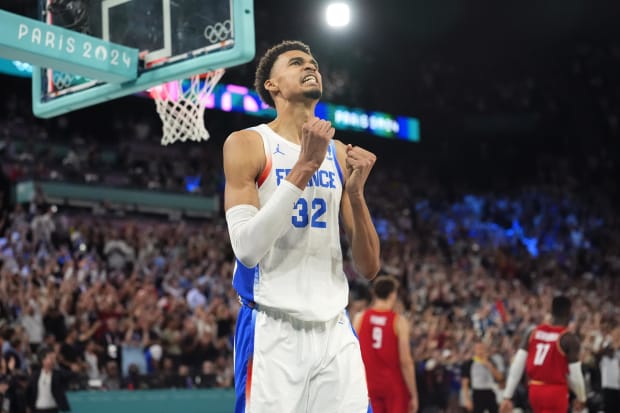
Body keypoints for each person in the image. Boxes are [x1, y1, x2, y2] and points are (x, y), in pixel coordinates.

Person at [224, 40, 381, 413]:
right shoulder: (248, 143)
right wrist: (304, 167)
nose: (310, 66)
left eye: (313, 62)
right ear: (272, 86)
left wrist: (356, 196)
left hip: (334, 329)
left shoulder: (340, 153)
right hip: (272, 329)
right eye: (296, 63)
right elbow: (246, 249)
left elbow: (369, 267)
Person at [500, 295, 586, 413]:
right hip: (556, 391)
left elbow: (517, 364)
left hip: (534, 390)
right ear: (570, 313)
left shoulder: (533, 332)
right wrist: (581, 398)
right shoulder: (569, 338)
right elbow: (575, 375)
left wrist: (507, 396)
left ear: (551, 312)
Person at [353, 276, 419, 413]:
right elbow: (405, 361)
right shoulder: (399, 321)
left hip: (368, 385)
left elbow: (353, 355)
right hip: (394, 387)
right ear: (392, 295)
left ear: (374, 294)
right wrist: (413, 393)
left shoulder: (360, 318)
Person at [26, 348, 76, 413]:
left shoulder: (58, 374)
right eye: (51, 358)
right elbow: (29, 391)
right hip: (38, 408)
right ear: (43, 360)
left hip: (53, 408)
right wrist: (28, 406)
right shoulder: (35, 375)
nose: (53, 361)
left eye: (54, 358)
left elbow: (69, 376)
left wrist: (74, 371)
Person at [461, 339, 504, 413]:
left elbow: (500, 378)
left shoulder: (491, 361)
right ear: (474, 350)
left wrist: (489, 366)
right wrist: (467, 400)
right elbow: (465, 383)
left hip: (490, 391)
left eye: (482, 348)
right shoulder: (469, 363)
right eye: (478, 349)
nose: (481, 351)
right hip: (477, 393)